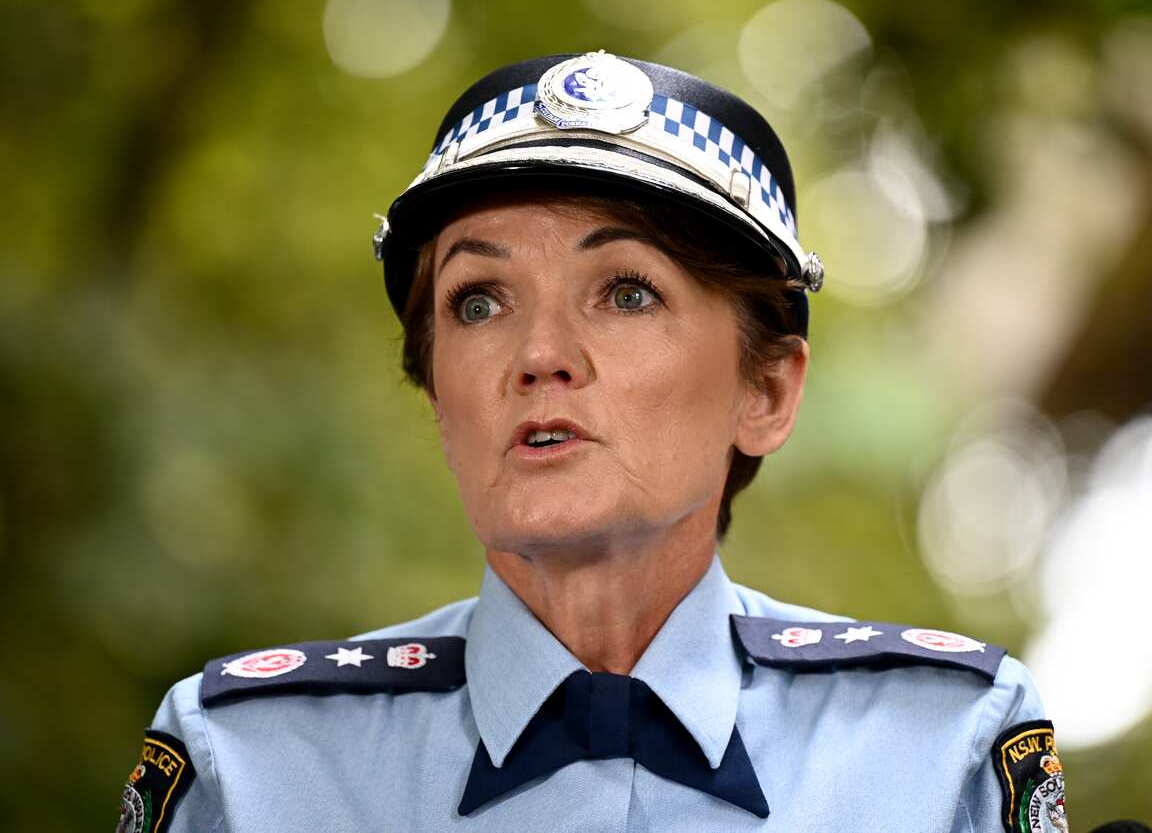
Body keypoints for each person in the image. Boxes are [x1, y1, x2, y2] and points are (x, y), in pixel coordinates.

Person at [117, 51, 1069, 833]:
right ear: (440, 397)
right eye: (478, 302)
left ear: (767, 391)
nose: (539, 356)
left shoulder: (940, 754)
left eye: (626, 291)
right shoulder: (250, 768)